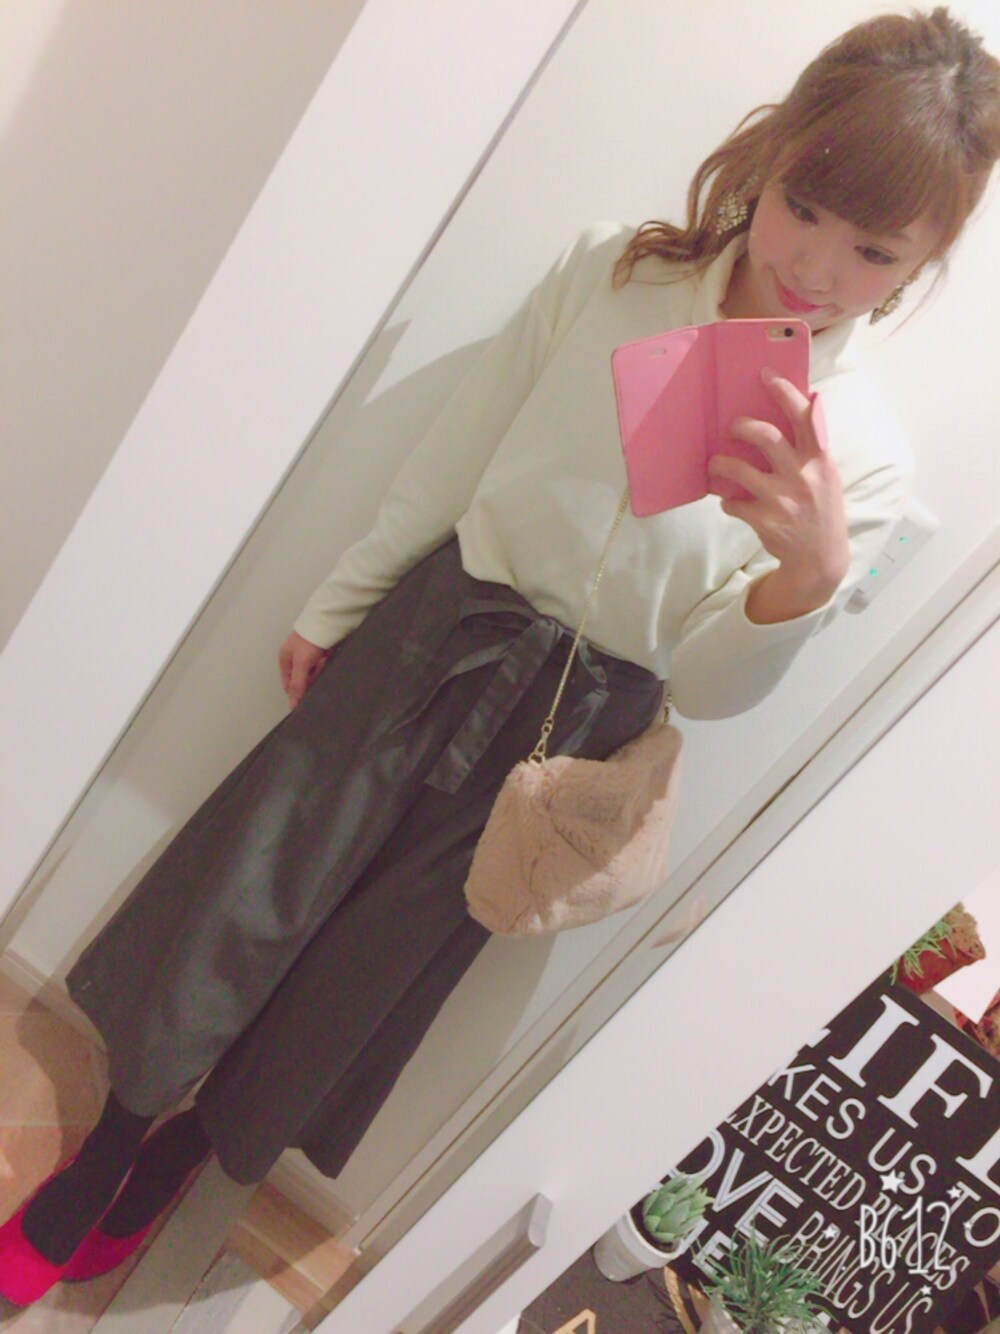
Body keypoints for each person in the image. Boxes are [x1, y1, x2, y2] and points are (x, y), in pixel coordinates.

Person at [2, 5, 999, 1308]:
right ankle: (109, 1147)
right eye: (804, 207)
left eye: (873, 249)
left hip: (574, 731)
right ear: (770, 158)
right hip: (438, 633)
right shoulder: (614, 274)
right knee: (240, 900)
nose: (816, 265)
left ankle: (188, 1153)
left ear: (925, 261)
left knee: (357, 977)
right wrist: (342, 600)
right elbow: (460, 450)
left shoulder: (860, 454)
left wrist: (805, 579)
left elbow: (706, 686)